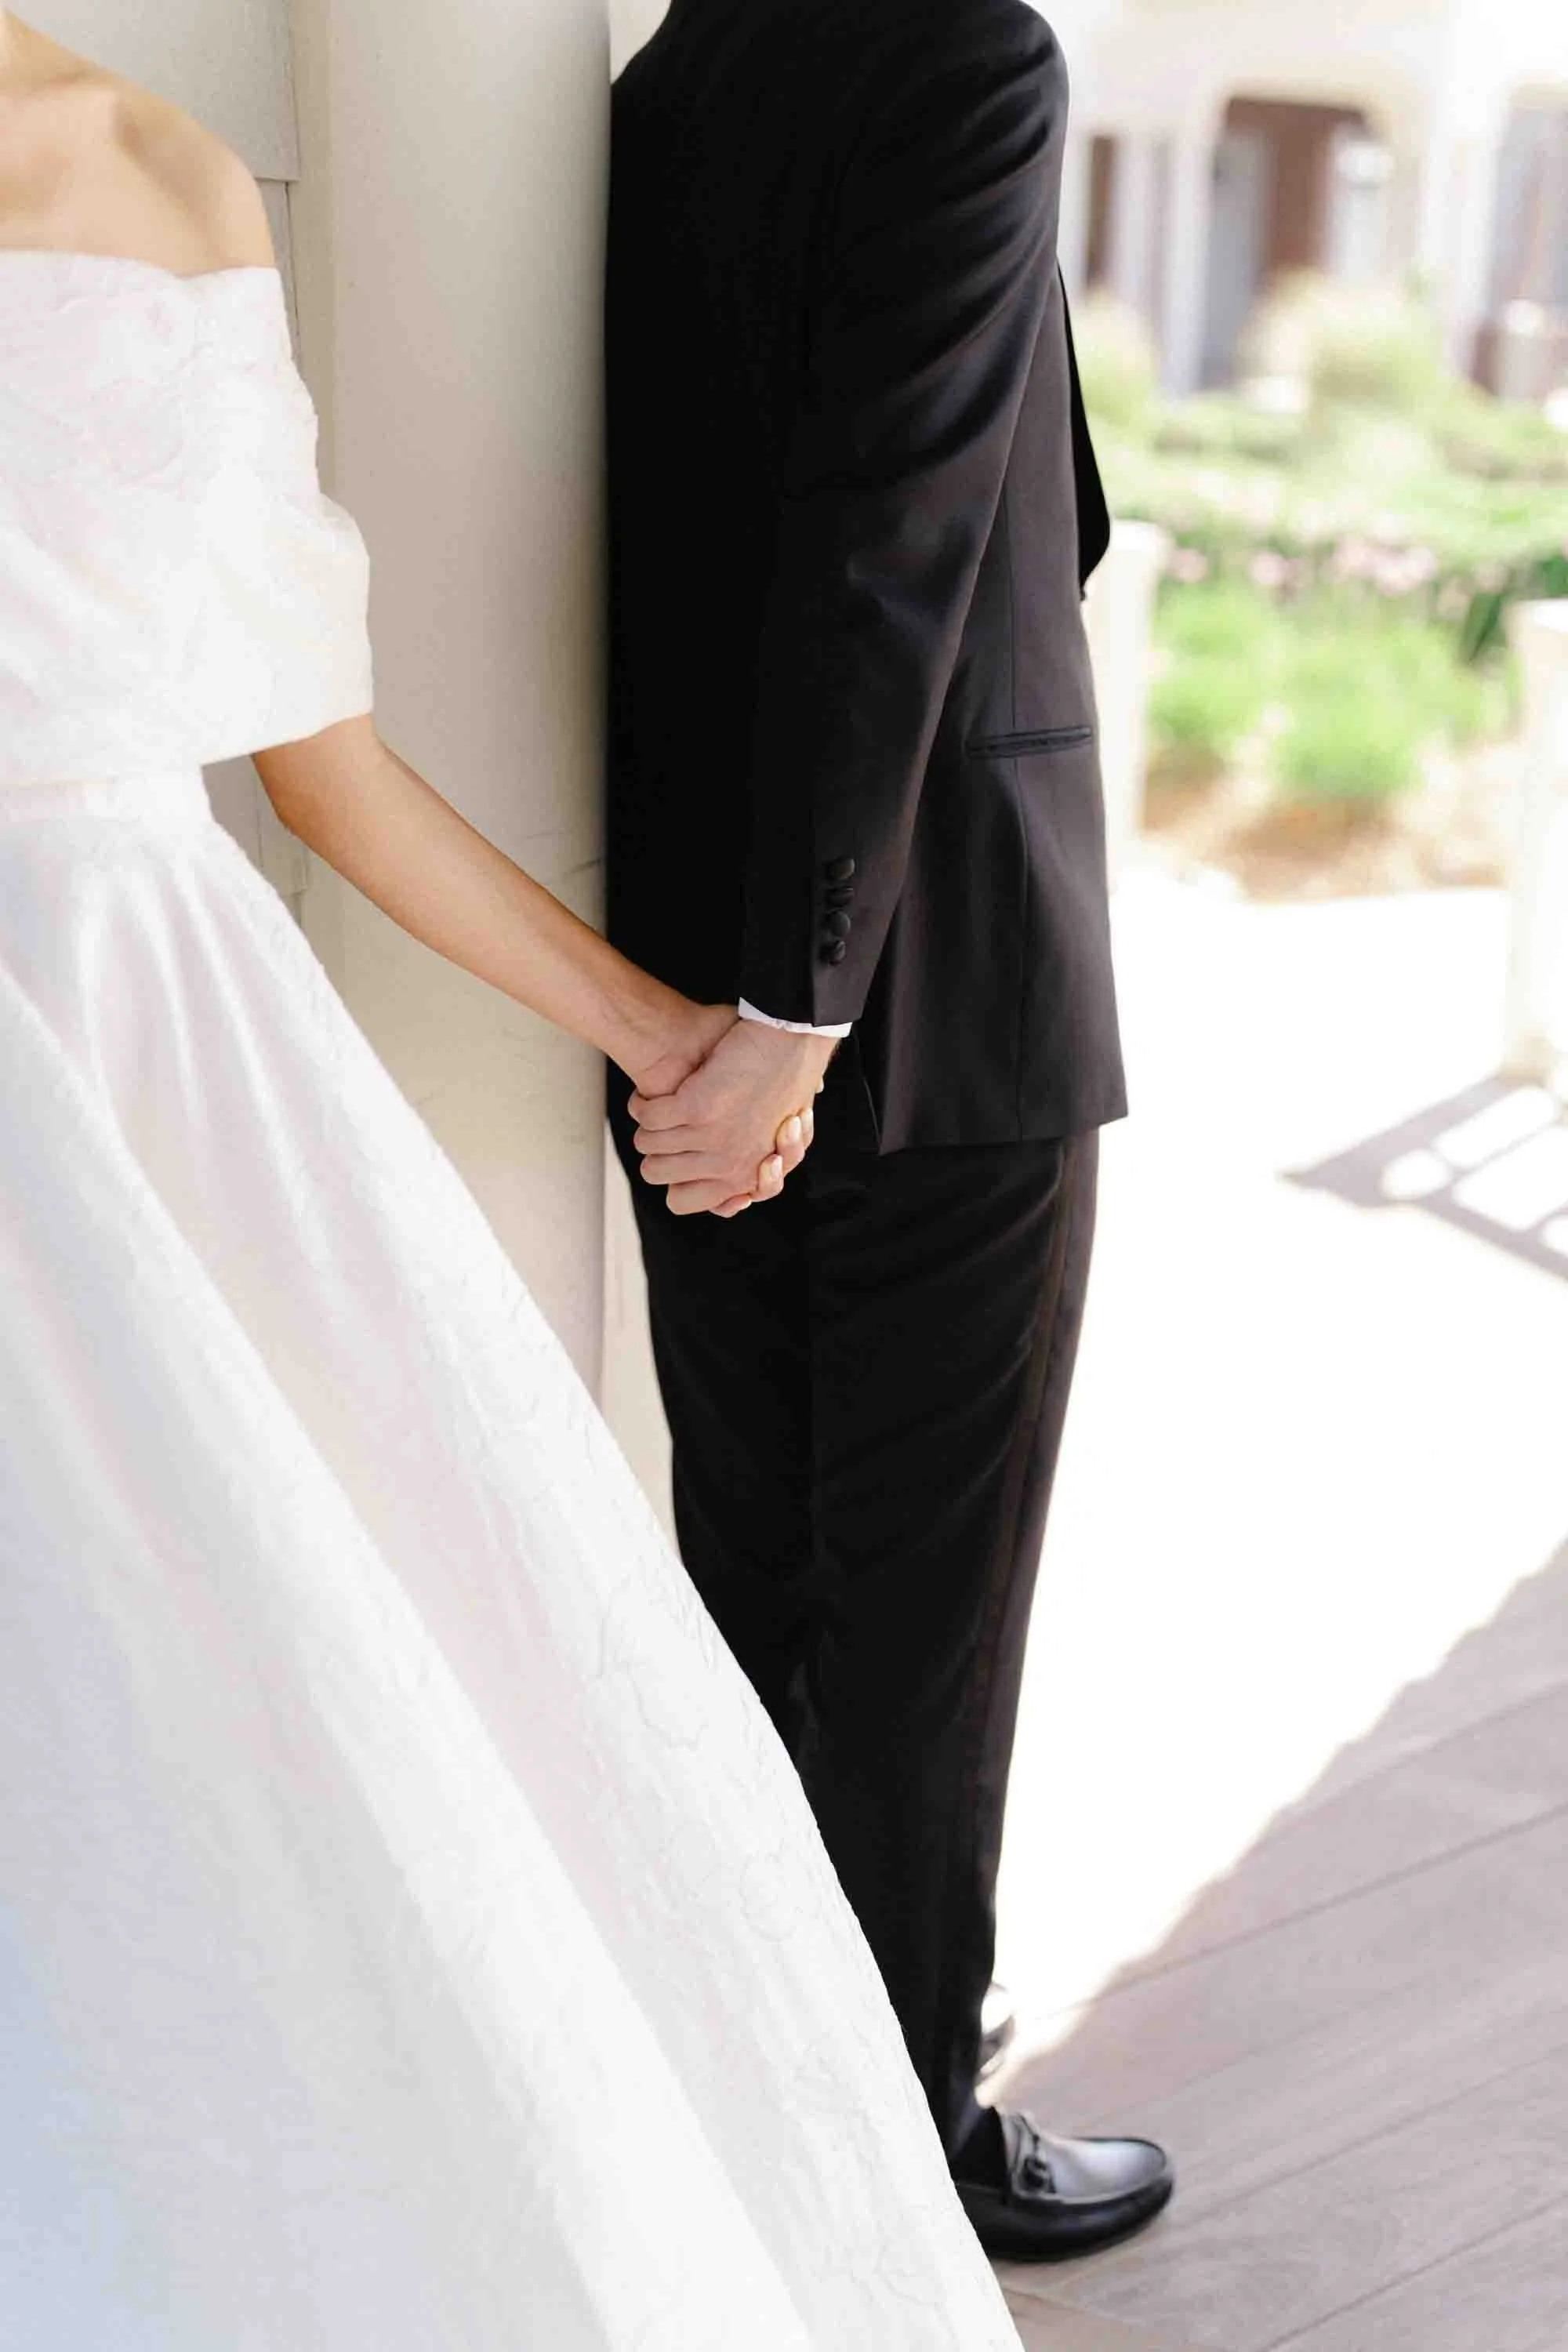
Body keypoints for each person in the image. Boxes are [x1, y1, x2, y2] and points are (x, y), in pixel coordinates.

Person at [0, 16, 1032, 2343]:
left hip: (145, 1066)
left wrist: (673, 1032)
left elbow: (329, 771)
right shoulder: (164, 170)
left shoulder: (172, 180)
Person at [606, 0, 1174, 2259]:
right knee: (925, 1625)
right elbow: (899, 537)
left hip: (685, 969)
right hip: (929, 996)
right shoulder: (965, 58)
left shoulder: (684, 67)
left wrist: (740, 1002)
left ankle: (763, 2087)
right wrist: (804, 1003)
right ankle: (901, 2152)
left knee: (755, 1576)